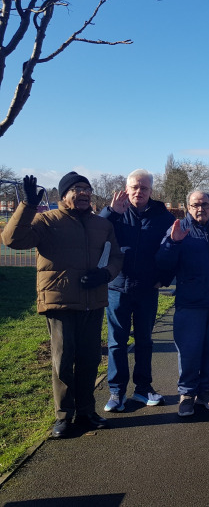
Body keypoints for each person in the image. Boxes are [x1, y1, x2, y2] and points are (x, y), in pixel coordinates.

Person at [2, 173, 123, 438]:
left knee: (90, 360)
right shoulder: (46, 220)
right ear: (64, 194)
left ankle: (86, 412)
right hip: (60, 302)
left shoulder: (101, 224)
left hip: (92, 302)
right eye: (77, 188)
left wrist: (106, 274)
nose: (84, 193)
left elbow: (116, 256)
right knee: (63, 361)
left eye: (87, 188)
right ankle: (64, 416)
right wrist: (28, 206)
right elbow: (12, 240)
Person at [156, 190, 209, 417]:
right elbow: (163, 262)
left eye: (205, 204)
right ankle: (187, 393)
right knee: (189, 349)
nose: (200, 209)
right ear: (188, 207)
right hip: (190, 301)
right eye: (195, 205)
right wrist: (173, 243)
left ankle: (206, 391)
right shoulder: (178, 228)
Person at [99, 169, 175, 412]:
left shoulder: (163, 216)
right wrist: (110, 212)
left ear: (151, 190)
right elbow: (96, 232)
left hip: (147, 289)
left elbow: (173, 248)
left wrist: (164, 279)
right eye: (134, 187)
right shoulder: (116, 212)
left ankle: (143, 388)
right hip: (117, 287)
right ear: (126, 189)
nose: (138, 192)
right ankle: (116, 391)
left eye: (144, 188)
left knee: (144, 341)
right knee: (116, 342)